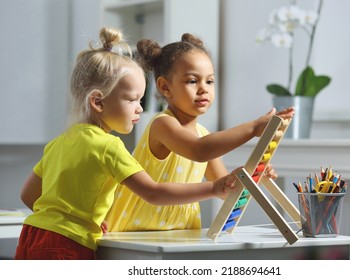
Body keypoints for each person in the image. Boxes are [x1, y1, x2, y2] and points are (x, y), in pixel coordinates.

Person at [14, 27, 240, 260]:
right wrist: (213, 189)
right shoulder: (109, 147)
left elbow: (28, 195)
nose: (140, 108)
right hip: (68, 244)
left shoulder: (59, 142)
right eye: (132, 100)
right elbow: (154, 193)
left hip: (32, 234)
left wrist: (57, 221)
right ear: (98, 102)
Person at [105, 33, 294, 232]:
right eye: (192, 81)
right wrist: (253, 128)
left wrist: (252, 174)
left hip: (180, 233)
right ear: (165, 87)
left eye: (209, 81)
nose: (203, 89)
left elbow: (225, 189)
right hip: (133, 233)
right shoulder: (163, 125)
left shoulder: (202, 134)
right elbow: (198, 150)